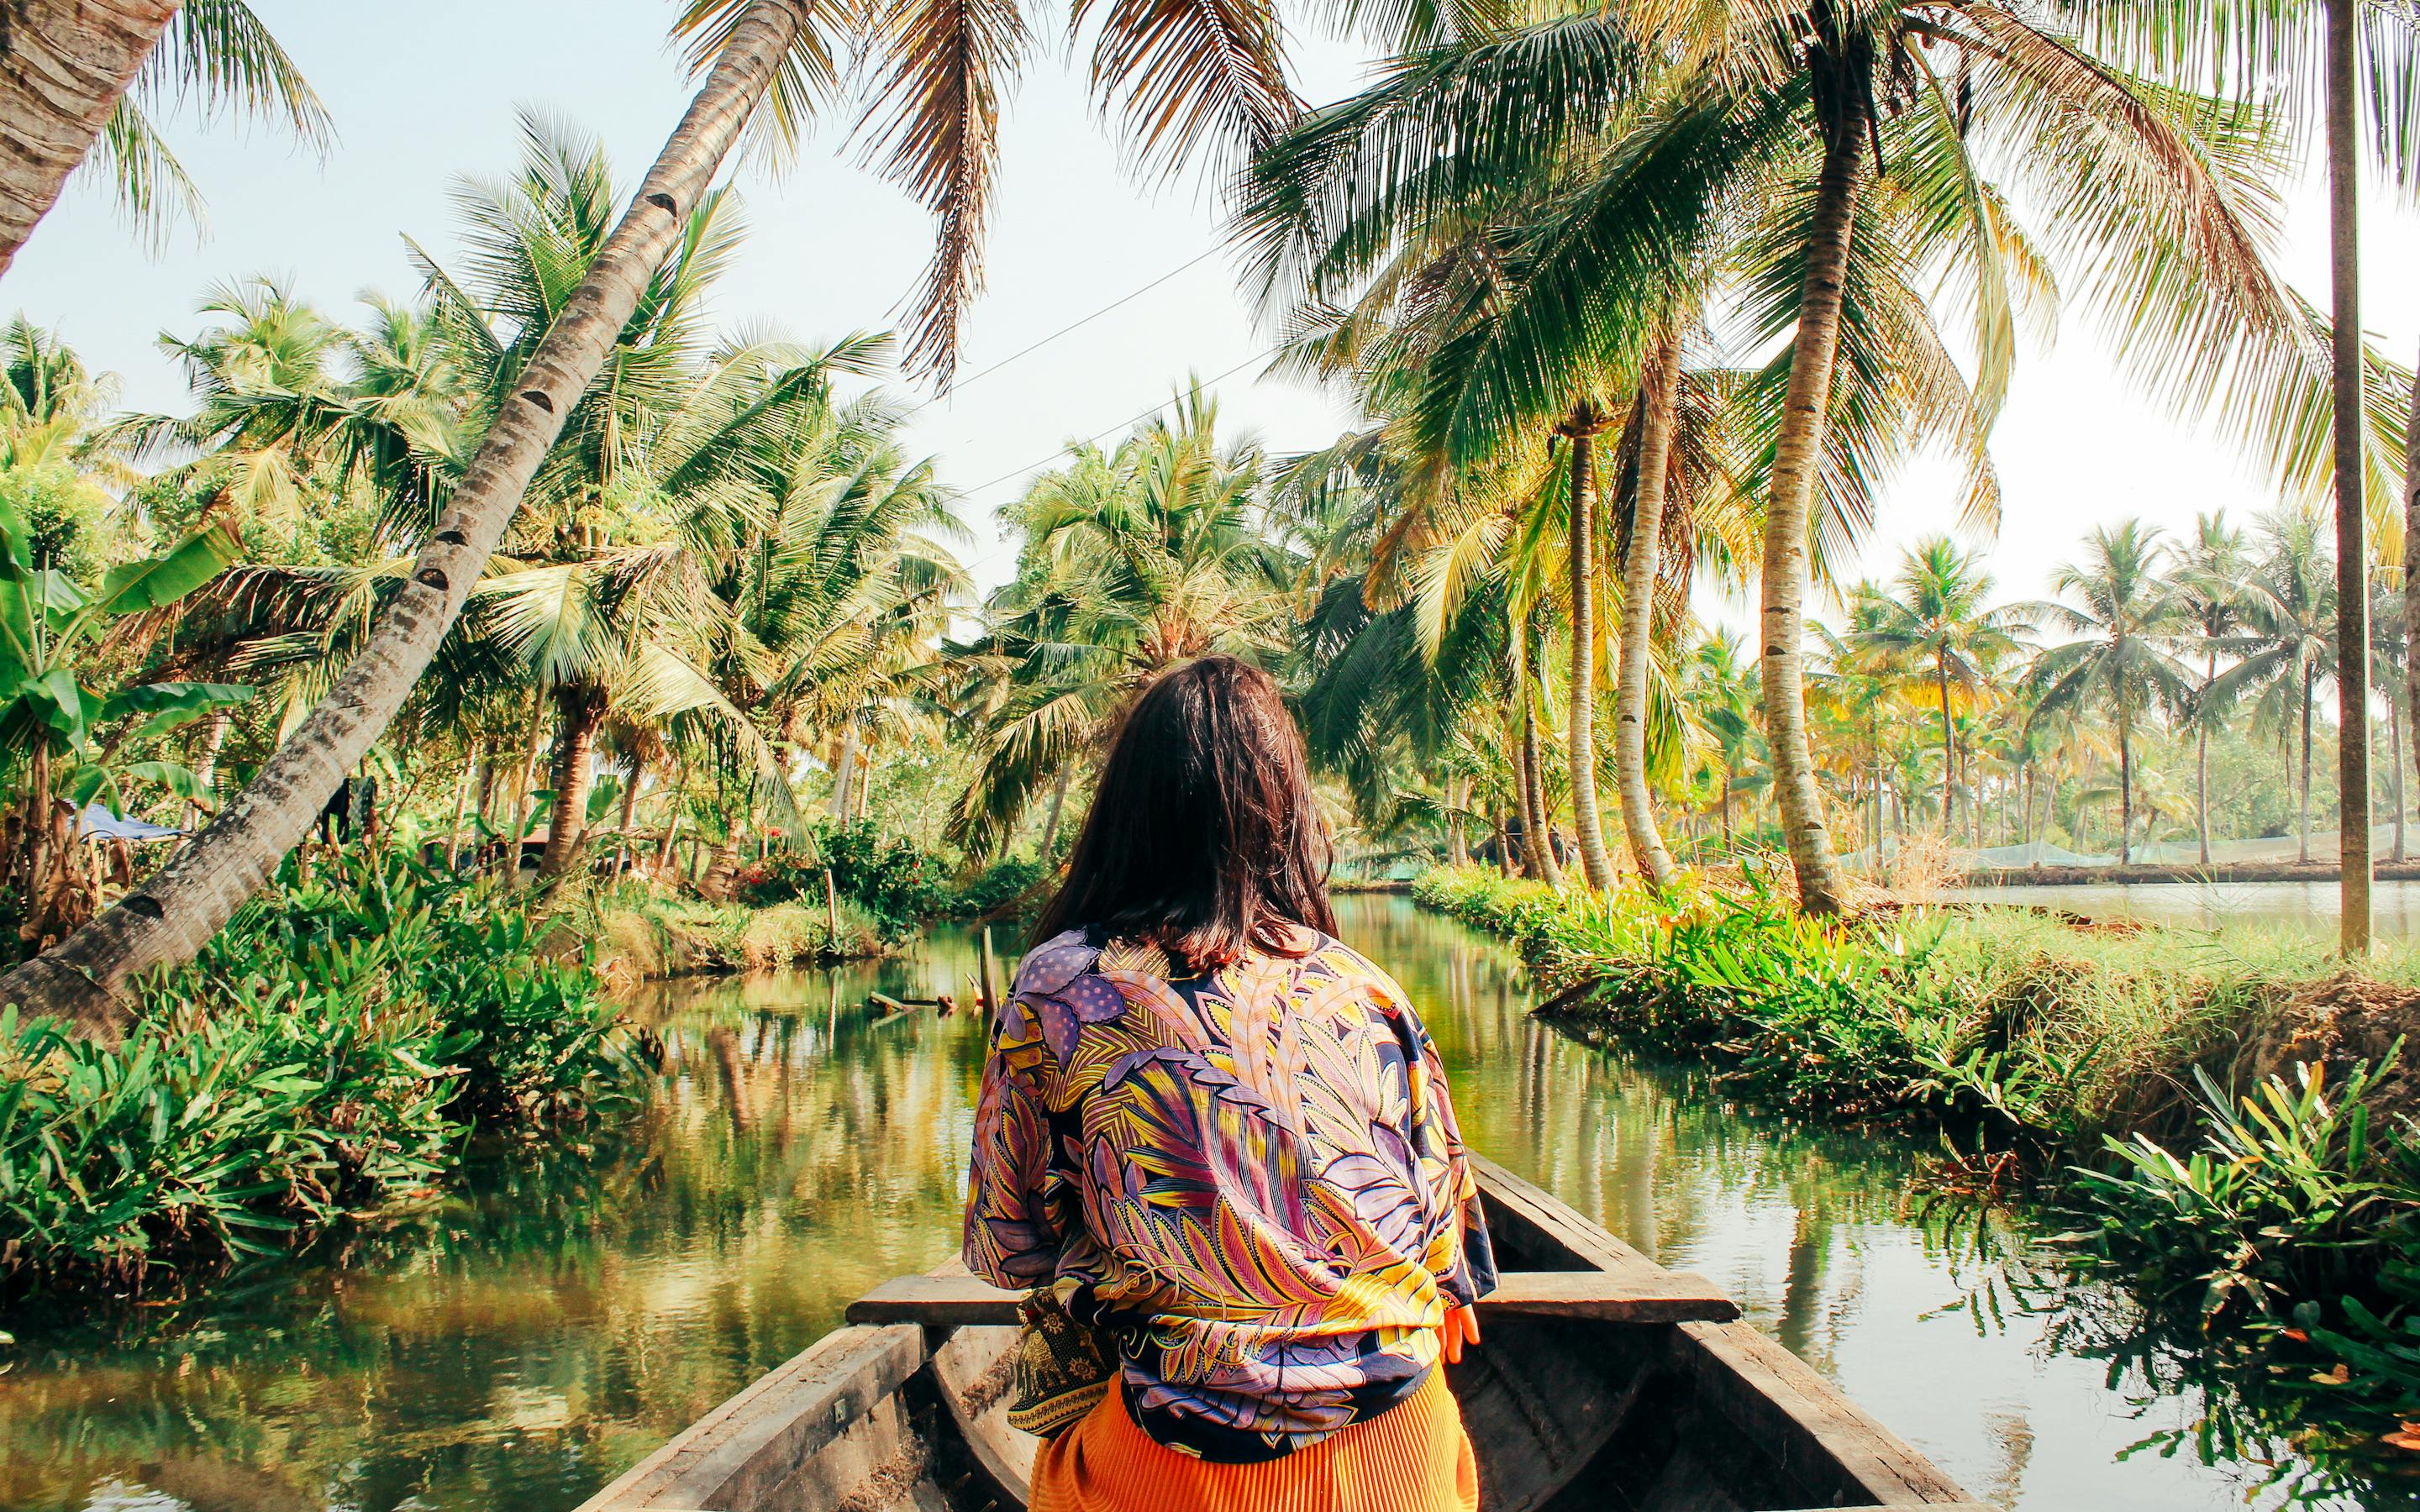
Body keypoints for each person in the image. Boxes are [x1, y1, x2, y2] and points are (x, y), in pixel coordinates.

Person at [963, 655, 1495, 1512]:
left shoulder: (1062, 984)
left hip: (1180, 1462)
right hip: (1403, 1455)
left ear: (1126, 811)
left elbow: (1008, 1246)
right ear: (1285, 813)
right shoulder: (1364, 987)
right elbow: (1452, 1263)